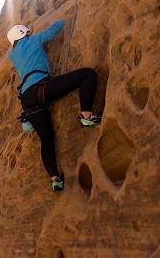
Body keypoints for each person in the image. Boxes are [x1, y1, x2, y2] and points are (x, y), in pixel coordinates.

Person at [7, 20, 102, 192]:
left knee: (46, 138)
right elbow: (53, 30)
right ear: (23, 34)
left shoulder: (14, 55)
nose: (29, 34)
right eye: (26, 33)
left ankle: (55, 179)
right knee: (87, 75)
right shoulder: (32, 41)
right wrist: (62, 19)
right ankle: (86, 116)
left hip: (27, 98)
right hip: (41, 88)